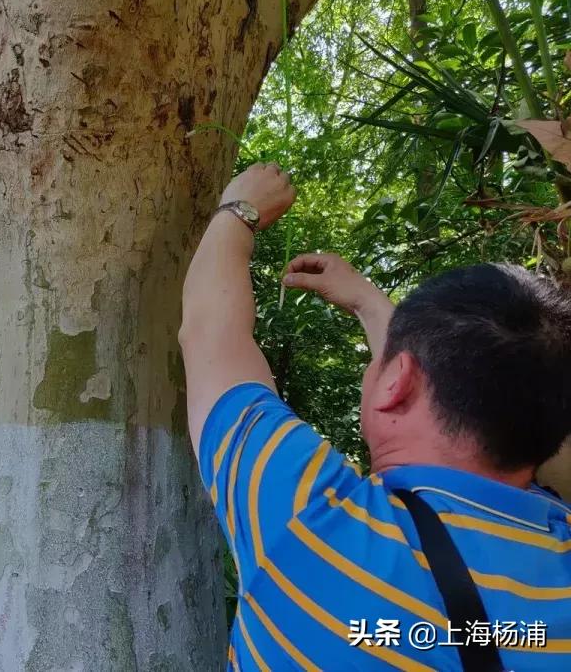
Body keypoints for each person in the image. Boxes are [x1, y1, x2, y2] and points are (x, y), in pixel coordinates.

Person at [179, 163, 571, 670]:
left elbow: (212, 333)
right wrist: (368, 303)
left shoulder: (311, 523)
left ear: (396, 382)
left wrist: (240, 208)